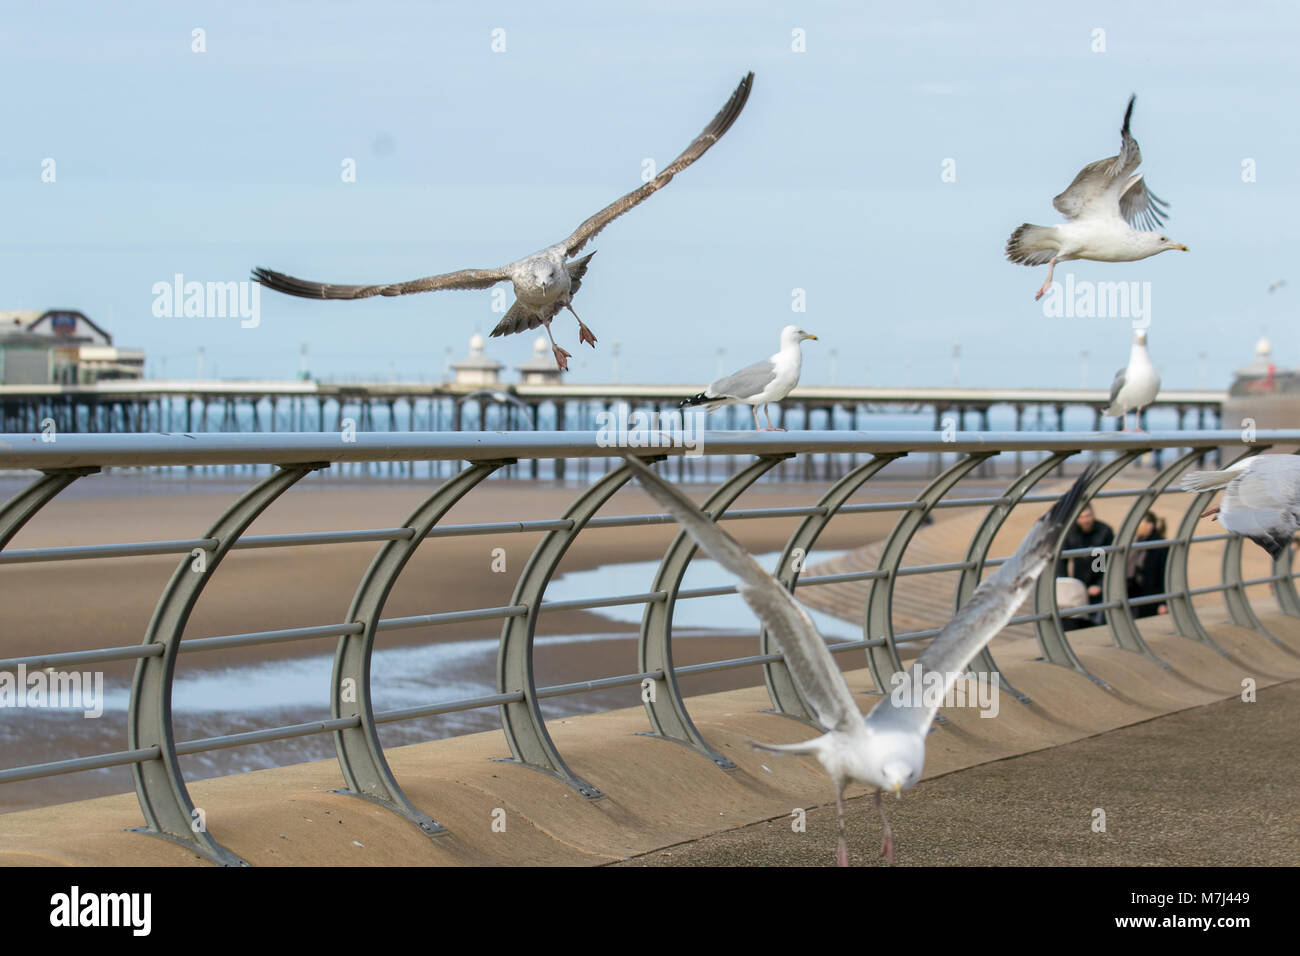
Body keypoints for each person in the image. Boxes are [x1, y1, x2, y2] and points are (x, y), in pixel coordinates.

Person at [1057, 504, 1114, 625]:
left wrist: (1099, 584)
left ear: (1093, 515)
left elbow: (1109, 561)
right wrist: (1067, 583)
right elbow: (1061, 560)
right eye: (1081, 517)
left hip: (1097, 580)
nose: (1085, 520)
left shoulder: (1104, 531)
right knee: (1076, 619)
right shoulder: (1071, 532)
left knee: (1097, 620)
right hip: (1079, 581)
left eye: (1088, 516)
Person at [1126, 511, 1169, 617]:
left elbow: (1165, 575)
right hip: (1133, 592)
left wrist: (1163, 602)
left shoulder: (1160, 545)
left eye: (1139, 523)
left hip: (1151, 597)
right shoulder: (1134, 541)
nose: (1135, 526)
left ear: (1150, 525)